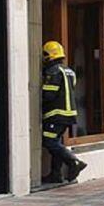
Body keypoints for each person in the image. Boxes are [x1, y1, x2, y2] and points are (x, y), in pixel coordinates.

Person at [41, 41, 87, 184]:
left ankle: (74, 162)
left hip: (56, 114)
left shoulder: (53, 71)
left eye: (45, 55)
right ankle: (56, 175)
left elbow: (48, 95)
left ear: (49, 55)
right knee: (57, 142)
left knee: (49, 141)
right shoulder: (69, 71)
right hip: (69, 114)